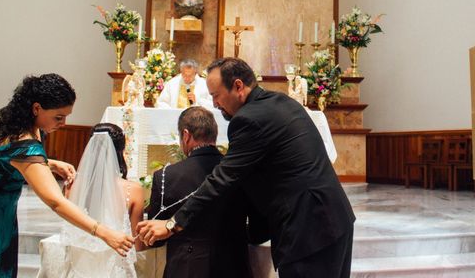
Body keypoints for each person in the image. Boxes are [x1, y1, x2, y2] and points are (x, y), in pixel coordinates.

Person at [137, 58, 355, 278]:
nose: (214, 104)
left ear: (238, 86)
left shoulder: (249, 119)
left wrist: (173, 223)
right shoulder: (282, 102)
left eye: (216, 95)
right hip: (333, 218)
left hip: (308, 230)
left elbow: (224, 177)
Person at [0, 74, 133, 278]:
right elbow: (55, 201)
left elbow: (2, 158)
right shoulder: (25, 144)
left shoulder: (8, 121)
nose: (63, 123)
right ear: (36, 108)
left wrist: (48, 163)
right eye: (58, 117)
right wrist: (103, 232)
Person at [145, 106, 252, 278]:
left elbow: (155, 239)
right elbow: (256, 229)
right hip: (232, 265)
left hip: (186, 268)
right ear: (214, 135)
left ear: (186, 135)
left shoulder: (165, 176)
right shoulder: (238, 171)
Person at [39, 123, 145, 277]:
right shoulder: (134, 190)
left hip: (78, 268)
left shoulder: (72, 185)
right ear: (121, 151)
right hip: (114, 270)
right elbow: (138, 245)